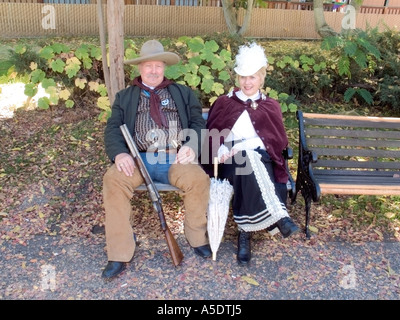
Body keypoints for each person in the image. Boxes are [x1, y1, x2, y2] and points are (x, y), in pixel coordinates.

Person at [102, 40, 211, 279]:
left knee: (199, 180)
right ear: (140, 68)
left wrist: (191, 147)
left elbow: (197, 123)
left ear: (164, 68)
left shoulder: (182, 93)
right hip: (138, 159)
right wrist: (120, 154)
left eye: (158, 66)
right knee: (113, 181)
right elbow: (112, 128)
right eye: (148, 65)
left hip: (175, 157)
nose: (153, 70)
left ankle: (196, 238)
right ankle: (119, 252)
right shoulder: (125, 96)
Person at [204, 42, 299, 265]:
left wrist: (245, 146)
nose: (247, 82)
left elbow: (277, 141)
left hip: (261, 160)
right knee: (244, 161)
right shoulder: (225, 103)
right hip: (229, 163)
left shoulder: (271, 106)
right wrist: (223, 149)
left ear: (261, 79)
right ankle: (279, 216)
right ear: (237, 78)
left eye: (253, 77)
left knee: (250, 159)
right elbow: (212, 137)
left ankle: (245, 233)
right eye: (243, 77)